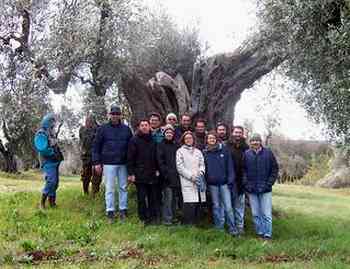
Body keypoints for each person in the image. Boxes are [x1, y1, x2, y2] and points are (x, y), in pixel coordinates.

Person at [92, 104, 132, 223]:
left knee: (123, 187)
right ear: (110, 115)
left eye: (117, 114)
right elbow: (96, 146)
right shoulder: (103, 129)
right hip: (108, 163)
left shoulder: (126, 129)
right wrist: (96, 162)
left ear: (120, 115)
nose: (115, 116)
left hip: (123, 163)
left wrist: (132, 165)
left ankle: (123, 210)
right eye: (113, 114)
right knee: (109, 188)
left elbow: (132, 147)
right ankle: (110, 212)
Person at [243, 133, 279, 240]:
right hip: (252, 189)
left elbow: (275, 169)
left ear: (260, 142)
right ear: (250, 143)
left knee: (266, 214)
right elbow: (243, 170)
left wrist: (269, 183)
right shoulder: (247, 154)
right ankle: (260, 233)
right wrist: (247, 184)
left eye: (257, 140)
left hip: (265, 189)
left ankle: (267, 235)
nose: (255, 143)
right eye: (253, 141)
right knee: (255, 214)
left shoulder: (268, 153)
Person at [203, 131, 238, 235]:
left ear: (216, 139)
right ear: (207, 140)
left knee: (228, 207)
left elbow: (230, 166)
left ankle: (232, 228)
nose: (211, 140)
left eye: (213, 138)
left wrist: (230, 180)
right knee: (216, 206)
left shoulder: (224, 150)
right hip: (212, 185)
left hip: (224, 184)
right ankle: (219, 228)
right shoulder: (205, 152)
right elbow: (203, 168)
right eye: (209, 138)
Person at [127, 119, 160, 225]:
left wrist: (158, 169)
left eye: (146, 125)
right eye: (142, 125)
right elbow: (130, 158)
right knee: (141, 198)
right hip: (139, 174)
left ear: (149, 127)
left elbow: (156, 156)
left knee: (152, 197)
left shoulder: (153, 140)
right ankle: (143, 218)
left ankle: (153, 218)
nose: (144, 127)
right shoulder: (134, 140)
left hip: (152, 173)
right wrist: (131, 173)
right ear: (139, 127)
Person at [34, 113, 64, 209]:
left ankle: (52, 202)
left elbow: (55, 145)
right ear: (47, 122)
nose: (53, 125)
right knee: (51, 181)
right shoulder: (41, 134)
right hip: (48, 162)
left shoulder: (51, 133)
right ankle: (42, 203)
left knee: (55, 183)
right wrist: (52, 153)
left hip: (55, 161)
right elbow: (42, 149)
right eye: (52, 122)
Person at [176, 131, 206, 225]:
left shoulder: (198, 151)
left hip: (199, 180)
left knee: (198, 203)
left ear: (193, 140)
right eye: (186, 138)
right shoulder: (180, 151)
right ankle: (188, 225)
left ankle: (197, 224)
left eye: (190, 138)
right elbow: (180, 167)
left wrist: (201, 172)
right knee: (189, 204)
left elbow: (202, 164)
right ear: (183, 140)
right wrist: (191, 176)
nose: (189, 140)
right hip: (187, 181)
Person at [157, 124, 181, 225]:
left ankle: (174, 218)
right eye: (167, 132)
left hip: (176, 177)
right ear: (164, 134)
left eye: (171, 133)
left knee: (175, 200)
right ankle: (167, 220)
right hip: (166, 178)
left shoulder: (176, 145)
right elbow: (160, 161)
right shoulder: (160, 145)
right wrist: (165, 174)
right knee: (168, 199)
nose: (169, 134)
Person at [227, 125, 249, 234]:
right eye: (236, 132)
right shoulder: (227, 145)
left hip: (241, 181)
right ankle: (231, 227)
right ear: (232, 133)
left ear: (242, 134)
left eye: (240, 132)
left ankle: (240, 227)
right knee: (229, 205)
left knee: (239, 206)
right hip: (229, 180)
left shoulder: (246, 147)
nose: (238, 134)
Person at [79, 114, 102, 196]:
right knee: (85, 175)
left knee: (97, 175)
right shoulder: (82, 129)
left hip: (97, 156)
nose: (88, 123)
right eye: (87, 121)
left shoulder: (99, 129)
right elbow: (82, 141)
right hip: (86, 156)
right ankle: (85, 192)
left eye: (90, 121)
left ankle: (95, 193)